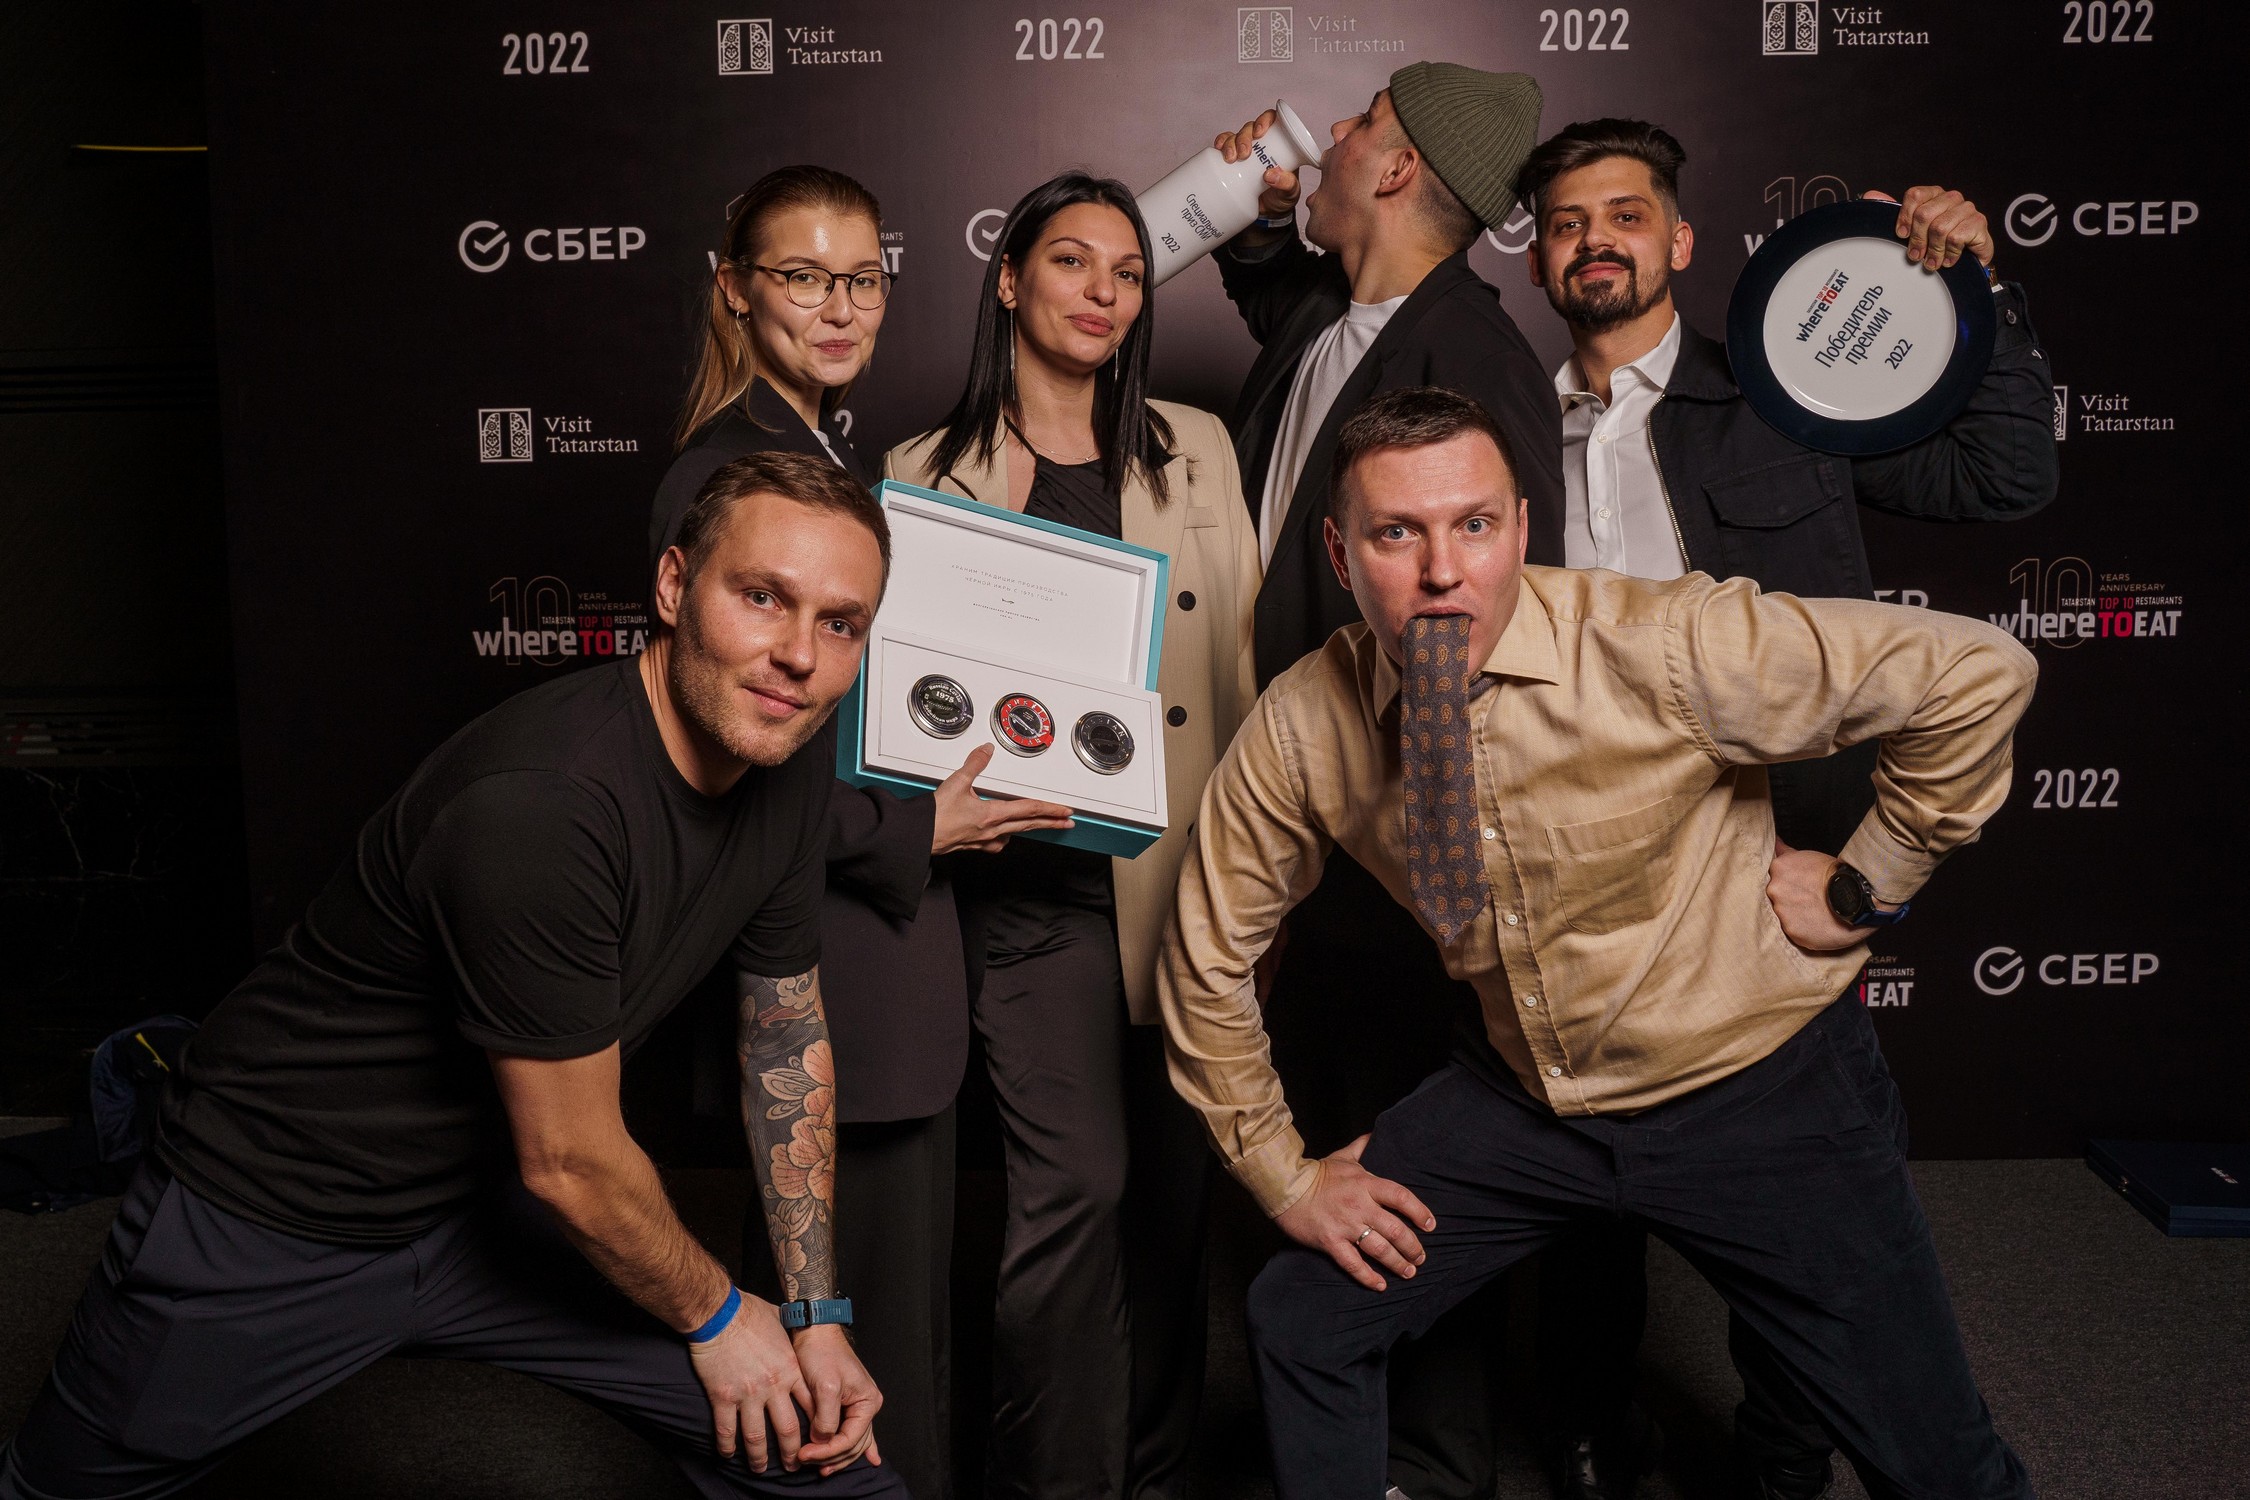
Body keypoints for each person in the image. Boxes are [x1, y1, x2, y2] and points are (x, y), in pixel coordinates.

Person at [1155, 386, 2041, 1500]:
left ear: (1523, 528)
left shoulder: (1661, 645)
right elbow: (1206, 957)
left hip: (1754, 1087)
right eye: (1397, 534)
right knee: (1303, 1316)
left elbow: (1978, 672)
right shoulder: (1305, 722)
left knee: (1942, 1465)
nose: (1443, 571)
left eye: (1475, 525)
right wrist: (1283, 1176)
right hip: (1533, 1100)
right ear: (1340, 553)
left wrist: (1871, 883)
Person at [1, 452, 911, 1500]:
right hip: (273, 1216)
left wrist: (812, 1316)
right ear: (673, 586)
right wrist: (717, 1317)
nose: (798, 655)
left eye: (839, 623)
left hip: (484, 1212)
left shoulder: (783, 750)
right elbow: (571, 1162)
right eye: (761, 597)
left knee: (823, 1462)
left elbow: (783, 1036)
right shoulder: (544, 804)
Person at [1513, 118, 2060, 1500]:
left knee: (1807, 1194)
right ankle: (1587, 1435)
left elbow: (2006, 476)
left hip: (1775, 865)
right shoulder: (1502, 432)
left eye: (1624, 214)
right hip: (1586, 863)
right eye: (1568, 222)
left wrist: (1977, 291)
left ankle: (1779, 1452)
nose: (1595, 241)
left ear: (1680, 241)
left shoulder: (1784, 394)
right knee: (1578, 1168)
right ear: (1537, 259)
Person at [651, 166, 1071, 1500]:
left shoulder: (818, 453)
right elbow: (727, 755)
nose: (838, 307)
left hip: (879, 971)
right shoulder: (729, 474)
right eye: (801, 277)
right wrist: (913, 831)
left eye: (861, 279)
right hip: (830, 973)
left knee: (885, 1336)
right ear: (735, 289)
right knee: (848, 1354)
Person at [1208, 63, 1559, 1499]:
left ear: (1401, 166)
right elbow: (1279, 310)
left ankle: (1433, 1467)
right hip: (1291, 813)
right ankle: (1354, 1445)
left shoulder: (1469, 356)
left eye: (1356, 125)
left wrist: (1433, 870)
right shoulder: (1333, 318)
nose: (1335, 140)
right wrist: (1247, 212)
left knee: (1405, 1163)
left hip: (1393, 845)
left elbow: (1484, 615)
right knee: (1331, 1161)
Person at [885, 171, 1259, 1500]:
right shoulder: (919, 474)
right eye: (1068, 261)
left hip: (1184, 896)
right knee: (1077, 1192)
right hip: (1027, 896)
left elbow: (1245, 676)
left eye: (1126, 271)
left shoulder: (1195, 446)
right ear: (1008, 278)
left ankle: (1149, 1475)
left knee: (1171, 1205)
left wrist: (1259, 889)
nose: (1102, 291)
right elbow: (909, 708)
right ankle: (1057, 1480)